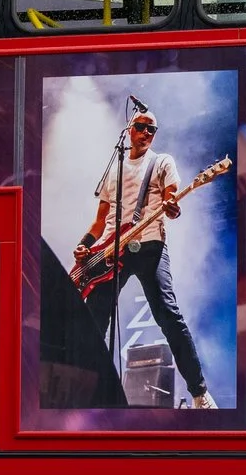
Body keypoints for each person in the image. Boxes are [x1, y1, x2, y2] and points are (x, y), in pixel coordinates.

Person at [73, 105, 216, 409]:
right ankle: (88, 394)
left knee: (168, 314)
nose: (147, 133)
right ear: (129, 130)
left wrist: (172, 207)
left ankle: (199, 393)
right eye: (142, 126)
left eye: (152, 129)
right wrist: (85, 244)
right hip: (110, 250)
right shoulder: (114, 169)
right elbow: (100, 222)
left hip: (149, 244)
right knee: (94, 320)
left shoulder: (162, 162)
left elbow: (171, 197)